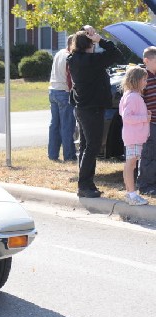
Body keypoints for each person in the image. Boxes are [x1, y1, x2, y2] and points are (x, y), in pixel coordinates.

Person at [67, 27, 122, 198]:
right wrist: (100, 40)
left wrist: (86, 32)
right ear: (89, 45)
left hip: (81, 108)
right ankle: (84, 185)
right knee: (92, 147)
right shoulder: (93, 60)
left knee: (85, 147)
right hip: (92, 109)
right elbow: (116, 54)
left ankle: (87, 183)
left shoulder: (73, 59)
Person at [118, 66, 150, 205]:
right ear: (136, 80)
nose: (146, 83)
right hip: (134, 137)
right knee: (131, 165)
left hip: (133, 136)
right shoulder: (133, 97)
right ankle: (131, 195)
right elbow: (126, 117)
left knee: (130, 165)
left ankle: (130, 193)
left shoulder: (128, 95)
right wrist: (145, 118)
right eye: (144, 80)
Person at [48, 34, 76, 162]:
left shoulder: (59, 53)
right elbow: (70, 77)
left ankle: (53, 154)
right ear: (72, 44)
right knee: (67, 125)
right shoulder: (70, 57)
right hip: (64, 92)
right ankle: (69, 155)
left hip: (53, 90)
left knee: (55, 125)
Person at [137, 46, 156, 195]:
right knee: (148, 154)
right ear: (146, 60)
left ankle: (152, 182)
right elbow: (138, 101)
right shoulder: (143, 78)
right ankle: (145, 185)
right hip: (149, 122)